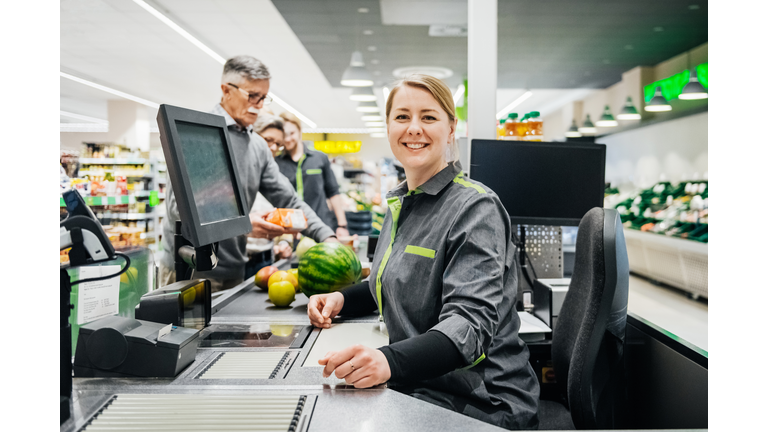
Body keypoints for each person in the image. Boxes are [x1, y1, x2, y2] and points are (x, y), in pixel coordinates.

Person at [306, 74, 540, 429]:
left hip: (479, 400)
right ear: (388, 127)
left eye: (428, 117)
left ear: (450, 128)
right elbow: (395, 278)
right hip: (422, 384)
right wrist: (341, 298)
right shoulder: (402, 203)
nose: (413, 128)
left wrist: (389, 361)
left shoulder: (475, 208)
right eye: (402, 117)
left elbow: (469, 326)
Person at [159, 55, 337, 291]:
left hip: (234, 270)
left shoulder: (258, 146)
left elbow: (289, 200)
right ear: (226, 90)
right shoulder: (197, 133)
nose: (259, 104)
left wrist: (328, 237)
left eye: (263, 97)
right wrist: (244, 224)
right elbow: (179, 209)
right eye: (252, 95)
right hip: (190, 270)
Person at [275, 111, 350, 238]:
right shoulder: (276, 163)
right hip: (291, 231)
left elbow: (333, 192)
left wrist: (342, 225)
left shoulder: (319, 158)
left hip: (322, 225)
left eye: (291, 133)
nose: (287, 139)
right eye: (284, 135)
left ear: (300, 131)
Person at [244, 114, 292, 279]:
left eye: (278, 144)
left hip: (266, 259)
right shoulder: (242, 172)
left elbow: (283, 214)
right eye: (268, 140)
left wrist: (284, 243)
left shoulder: (277, 179)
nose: (272, 147)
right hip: (239, 260)